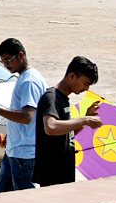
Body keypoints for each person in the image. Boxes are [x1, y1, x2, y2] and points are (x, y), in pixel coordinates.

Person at [0, 38, 47, 193]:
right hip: (14, 150)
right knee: (1, 198)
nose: (6, 65)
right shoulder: (25, 77)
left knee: (24, 202)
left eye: (8, 60)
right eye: (2, 62)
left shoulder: (29, 81)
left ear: (21, 56)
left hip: (24, 154)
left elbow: (27, 117)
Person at [34, 56, 103, 188]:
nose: (87, 89)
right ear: (71, 76)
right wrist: (85, 119)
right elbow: (51, 127)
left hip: (65, 171)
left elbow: (66, 133)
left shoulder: (64, 99)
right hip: (52, 174)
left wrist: (84, 120)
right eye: (85, 83)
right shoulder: (52, 97)